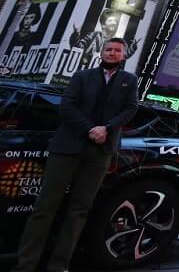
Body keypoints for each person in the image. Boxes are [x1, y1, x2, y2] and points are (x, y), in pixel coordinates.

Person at [12, 38, 138, 272]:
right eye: (108, 49)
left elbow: (131, 109)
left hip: (101, 151)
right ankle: (25, 265)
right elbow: (67, 107)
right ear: (101, 52)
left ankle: (59, 266)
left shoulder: (129, 81)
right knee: (44, 208)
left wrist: (107, 128)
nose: (112, 53)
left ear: (124, 56)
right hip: (68, 147)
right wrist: (90, 129)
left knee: (79, 210)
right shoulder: (82, 76)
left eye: (117, 51)